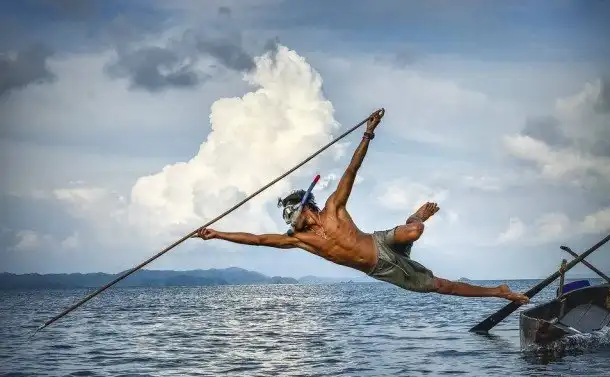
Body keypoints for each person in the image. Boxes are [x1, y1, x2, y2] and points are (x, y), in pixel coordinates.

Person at [193, 109, 529, 304]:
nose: (290, 223)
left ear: (305, 207)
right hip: (381, 269)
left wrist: (368, 134)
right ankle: (499, 292)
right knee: (441, 287)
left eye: (291, 214)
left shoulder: (334, 208)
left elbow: (351, 171)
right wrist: (217, 234)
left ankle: (415, 217)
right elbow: (258, 240)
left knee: (415, 230)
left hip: (380, 241)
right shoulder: (300, 241)